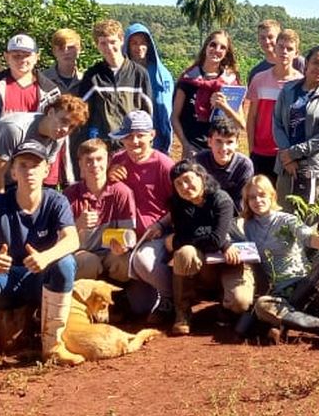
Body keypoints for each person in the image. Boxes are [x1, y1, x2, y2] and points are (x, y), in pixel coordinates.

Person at [0, 140, 85, 377]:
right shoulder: (0, 203)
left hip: (41, 279)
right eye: (23, 165)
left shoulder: (56, 200)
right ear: (13, 171)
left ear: (47, 170)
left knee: (65, 263)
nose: (30, 171)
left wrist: (46, 257)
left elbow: (72, 240)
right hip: (6, 279)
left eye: (36, 165)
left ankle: (53, 346)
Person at [139, 159, 251, 336]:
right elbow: (184, 241)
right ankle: (182, 313)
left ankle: (224, 307)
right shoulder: (178, 205)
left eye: (188, 179)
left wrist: (222, 243)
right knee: (185, 252)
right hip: (204, 266)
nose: (184, 186)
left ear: (201, 177)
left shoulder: (221, 199)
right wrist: (183, 241)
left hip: (229, 262)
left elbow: (215, 240)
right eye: (178, 183)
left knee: (240, 303)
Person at [241, 175, 319, 347]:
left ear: (272, 196)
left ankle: (282, 323)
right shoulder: (247, 227)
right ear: (246, 201)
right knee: (262, 304)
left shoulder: (287, 220)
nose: (257, 200)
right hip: (280, 292)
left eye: (262, 195)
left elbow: (309, 237)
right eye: (252, 197)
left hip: (308, 284)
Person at [0, 94, 89, 224]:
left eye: (71, 127)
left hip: (18, 179)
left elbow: (42, 173)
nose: (65, 129)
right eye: (63, 121)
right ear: (51, 112)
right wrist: (0, 218)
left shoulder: (58, 137)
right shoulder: (14, 129)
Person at [107, 109, 175, 317]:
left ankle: (173, 296)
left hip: (155, 235)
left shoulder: (164, 164)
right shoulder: (116, 160)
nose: (134, 141)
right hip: (126, 236)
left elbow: (180, 205)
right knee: (140, 308)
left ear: (152, 135)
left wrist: (161, 225)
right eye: (128, 136)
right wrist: (108, 177)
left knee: (143, 262)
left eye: (140, 135)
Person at [273, 45, 319, 203]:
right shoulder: (288, 90)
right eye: (316, 63)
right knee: (284, 213)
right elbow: (277, 123)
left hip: (316, 167)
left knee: (309, 218)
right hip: (286, 164)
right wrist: (288, 157)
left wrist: (294, 153)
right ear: (307, 63)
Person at [62, 137, 138, 282]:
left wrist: (125, 245)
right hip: (81, 251)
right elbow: (60, 237)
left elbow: (129, 232)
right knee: (89, 263)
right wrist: (78, 225)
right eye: (89, 161)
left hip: (110, 251)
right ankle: (87, 297)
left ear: (108, 161)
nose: (94, 165)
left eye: (99, 159)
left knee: (125, 261)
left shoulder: (121, 192)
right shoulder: (70, 194)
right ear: (81, 165)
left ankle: (118, 296)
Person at [0, 34, 50, 151]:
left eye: (27, 55)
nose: (21, 60)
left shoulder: (49, 90)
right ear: (6, 57)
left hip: (34, 161)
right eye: (16, 56)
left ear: (37, 57)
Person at [79, 18, 154, 141]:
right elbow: (82, 112)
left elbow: (148, 111)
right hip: (102, 145)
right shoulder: (92, 76)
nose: (109, 47)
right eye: (103, 43)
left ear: (121, 40)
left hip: (131, 143)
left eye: (113, 41)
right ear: (97, 45)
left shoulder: (139, 73)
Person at [174, 29, 244, 157]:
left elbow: (241, 124)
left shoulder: (230, 83)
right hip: (193, 150)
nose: (217, 49)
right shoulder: (188, 78)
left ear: (226, 53)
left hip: (220, 152)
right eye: (213, 44)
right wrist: (185, 145)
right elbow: (174, 117)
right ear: (206, 46)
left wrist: (225, 106)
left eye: (222, 47)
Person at [246, 27, 303, 179]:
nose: (284, 51)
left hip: (287, 153)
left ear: (296, 54)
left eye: (289, 49)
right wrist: (251, 148)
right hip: (260, 151)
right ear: (275, 48)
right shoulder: (259, 79)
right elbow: (252, 116)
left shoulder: (300, 83)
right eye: (281, 47)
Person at [125, 22, 175, 154]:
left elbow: (167, 106)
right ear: (127, 46)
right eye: (134, 43)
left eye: (143, 43)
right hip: (131, 134)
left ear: (149, 45)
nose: (139, 47)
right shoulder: (122, 73)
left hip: (157, 132)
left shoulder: (161, 74)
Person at [193, 118, 255, 205]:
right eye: (218, 141)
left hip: (233, 212)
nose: (224, 148)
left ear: (237, 144)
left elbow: (241, 201)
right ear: (209, 142)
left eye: (229, 142)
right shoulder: (199, 161)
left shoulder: (244, 165)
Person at [38, 27, 84, 97]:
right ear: (54, 51)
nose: (66, 52)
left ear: (79, 49)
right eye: (61, 48)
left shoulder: (86, 81)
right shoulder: (42, 80)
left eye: (70, 47)